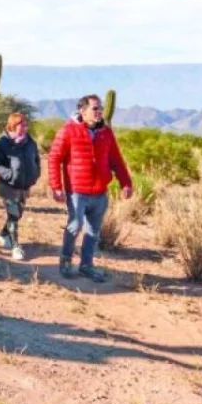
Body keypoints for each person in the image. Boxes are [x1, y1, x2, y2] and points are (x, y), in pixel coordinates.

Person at [47, 94, 132, 282]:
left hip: (99, 191)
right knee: (75, 225)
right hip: (77, 190)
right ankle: (66, 261)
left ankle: (86, 265)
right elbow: (54, 158)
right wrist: (56, 187)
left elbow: (116, 160)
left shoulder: (106, 133)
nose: (99, 111)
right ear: (82, 111)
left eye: (100, 108)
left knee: (94, 231)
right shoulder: (68, 130)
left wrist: (126, 182)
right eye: (95, 108)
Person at [0, 112, 40, 260]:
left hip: (24, 186)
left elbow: (36, 160)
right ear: (13, 125)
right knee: (13, 214)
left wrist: (35, 175)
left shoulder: (30, 142)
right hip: (8, 186)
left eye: (25, 124)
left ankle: (3, 234)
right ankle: (15, 246)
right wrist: (9, 175)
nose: (24, 127)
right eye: (21, 124)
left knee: (18, 214)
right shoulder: (3, 143)